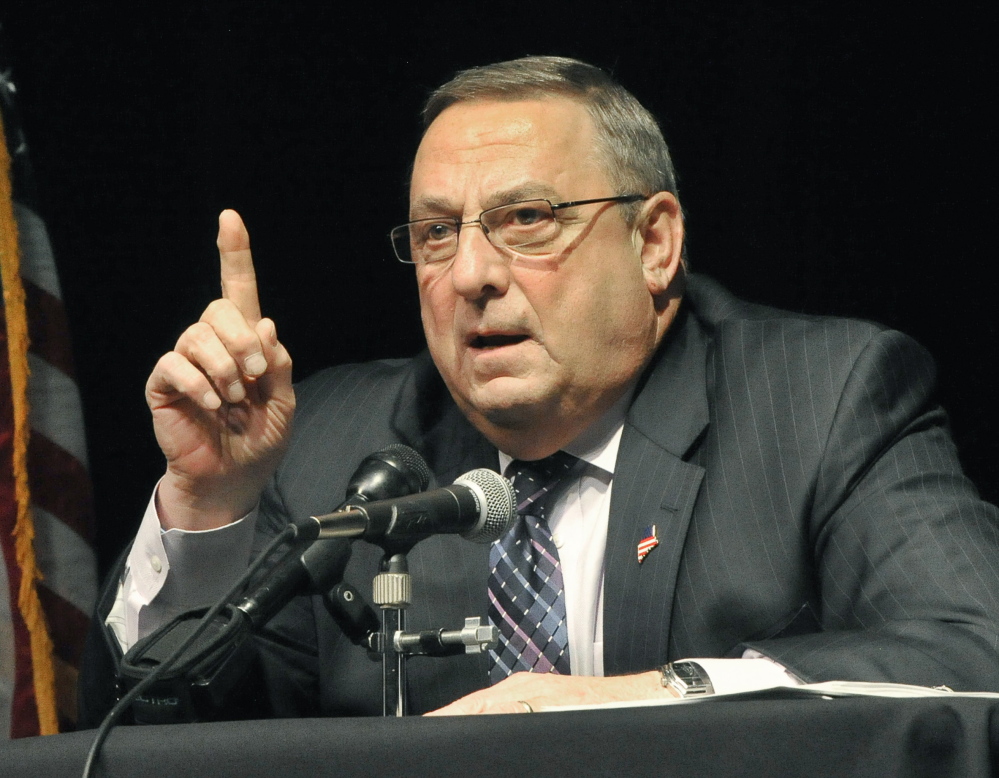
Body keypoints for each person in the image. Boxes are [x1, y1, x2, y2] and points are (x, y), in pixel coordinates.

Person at [80, 56, 999, 724]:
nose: (472, 272)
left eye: (527, 219)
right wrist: (207, 508)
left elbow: (974, 649)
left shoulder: (821, 399)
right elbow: (158, 730)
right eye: (436, 233)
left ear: (654, 245)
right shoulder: (332, 445)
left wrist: (650, 696)